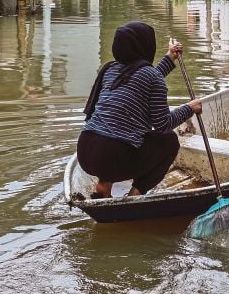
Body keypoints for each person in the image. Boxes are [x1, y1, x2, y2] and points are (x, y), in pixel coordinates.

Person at [78, 22, 201, 199]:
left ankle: (103, 186)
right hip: (114, 157)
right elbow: (162, 125)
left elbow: (142, 80)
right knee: (169, 141)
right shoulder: (152, 78)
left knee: (115, 133)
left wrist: (169, 58)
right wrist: (189, 108)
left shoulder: (110, 70)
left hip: (86, 151)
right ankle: (135, 194)